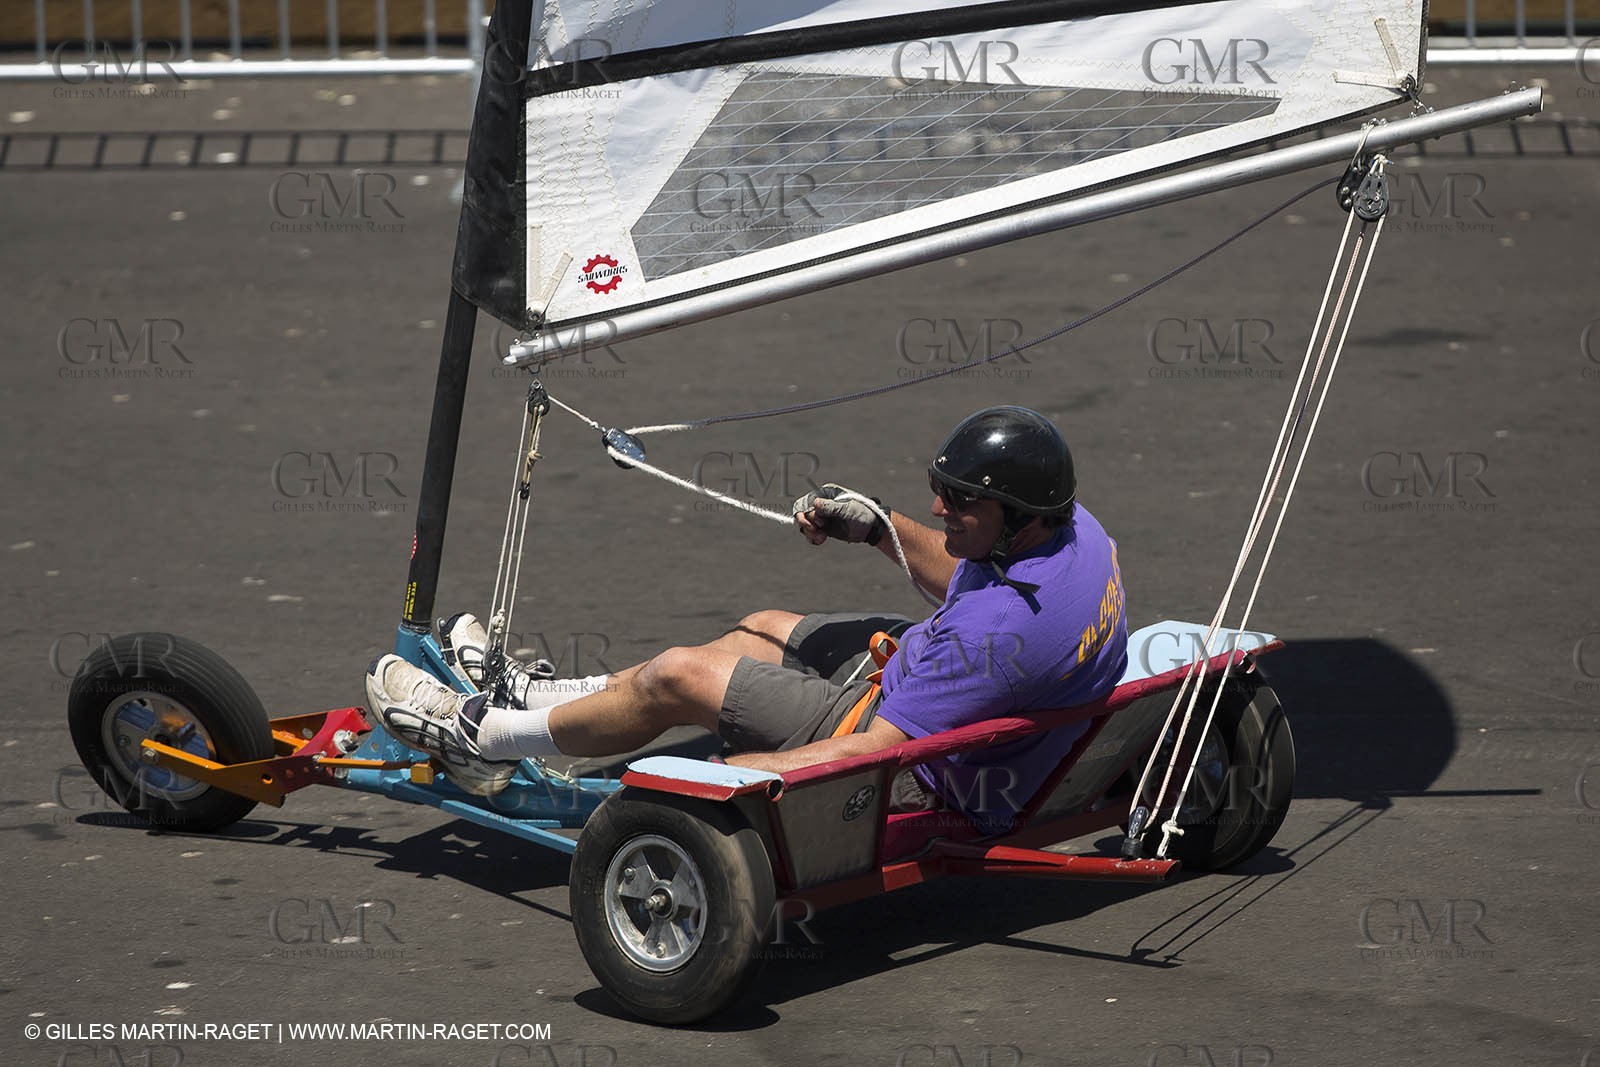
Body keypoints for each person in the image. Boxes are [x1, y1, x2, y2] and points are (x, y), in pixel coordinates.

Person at [366, 405, 1128, 830]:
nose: (938, 507)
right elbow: (962, 573)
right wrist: (876, 527)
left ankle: (483, 736)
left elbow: (868, 754)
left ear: (1019, 513)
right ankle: (529, 698)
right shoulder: (1073, 534)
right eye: (941, 488)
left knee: (677, 674)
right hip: (943, 685)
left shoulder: (994, 634)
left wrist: (709, 779)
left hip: (919, 759)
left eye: (959, 500)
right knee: (758, 628)